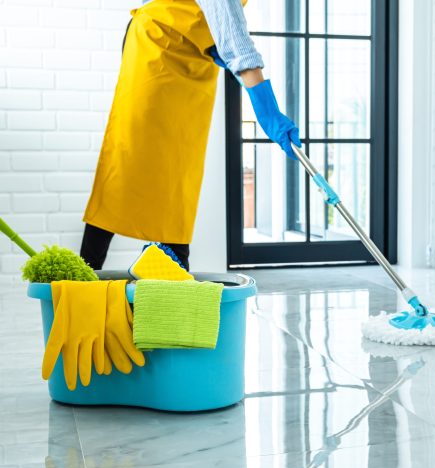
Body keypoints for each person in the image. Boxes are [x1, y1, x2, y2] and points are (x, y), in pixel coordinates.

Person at [81, 0, 301, 271]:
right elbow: (232, 30)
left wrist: (210, 44)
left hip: (195, 57)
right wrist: (267, 109)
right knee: (128, 161)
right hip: (158, 45)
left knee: (179, 169)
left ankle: (172, 272)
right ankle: (82, 276)